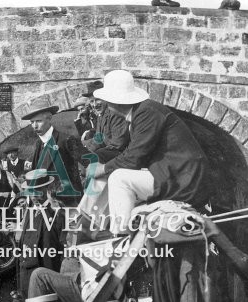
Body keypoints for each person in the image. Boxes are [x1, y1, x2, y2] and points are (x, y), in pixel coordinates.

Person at [89, 70, 212, 234]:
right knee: (110, 176)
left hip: (184, 179)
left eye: (106, 98)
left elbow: (134, 158)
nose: (104, 103)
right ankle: (91, 227)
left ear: (114, 101)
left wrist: (102, 168)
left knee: (118, 178)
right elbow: (135, 153)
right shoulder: (142, 111)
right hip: (173, 173)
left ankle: (120, 234)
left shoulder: (146, 112)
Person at [24, 100, 85, 207]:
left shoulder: (66, 139)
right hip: (44, 204)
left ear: (49, 118)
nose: (34, 126)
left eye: (38, 121)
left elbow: (88, 162)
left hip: (66, 203)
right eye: (32, 122)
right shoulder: (38, 143)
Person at [80, 81, 130, 164]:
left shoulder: (115, 113)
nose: (95, 105)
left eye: (98, 100)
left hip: (122, 155)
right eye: (92, 101)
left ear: (106, 98)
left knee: (96, 156)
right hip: (109, 153)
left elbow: (118, 145)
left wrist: (92, 153)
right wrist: (85, 148)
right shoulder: (101, 115)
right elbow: (99, 139)